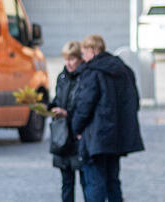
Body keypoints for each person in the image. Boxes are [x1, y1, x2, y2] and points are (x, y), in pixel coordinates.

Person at [71, 34, 144, 202]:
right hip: (116, 136)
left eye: (84, 53)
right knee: (113, 181)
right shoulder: (123, 70)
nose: (83, 58)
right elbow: (134, 102)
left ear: (92, 51)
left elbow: (84, 106)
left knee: (95, 183)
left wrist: (76, 128)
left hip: (95, 136)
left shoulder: (92, 72)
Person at [48, 41, 85, 202]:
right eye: (66, 59)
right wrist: (48, 108)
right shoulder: (62, 77)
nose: (68, 63)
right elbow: (58, 100)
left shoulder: (85, 78)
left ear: (80, 59)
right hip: (62, 136)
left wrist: (67, 113)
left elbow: (85, 107)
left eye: (72, 59)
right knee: (66, 183)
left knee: (86, 181)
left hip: (78, 134)